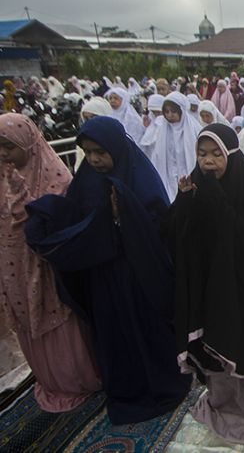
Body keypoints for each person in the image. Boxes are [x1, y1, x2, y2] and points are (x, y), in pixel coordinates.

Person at [24, 116, 191, 424]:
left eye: (100, 151)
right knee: (113, 332)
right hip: (103, 275)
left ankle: (158, 383)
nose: (94, 159)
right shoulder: (86, 179)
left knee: (144, 329)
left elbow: (160, 225)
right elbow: (77, 216)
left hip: (137, 273)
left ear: (115, 147)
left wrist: (124, 215)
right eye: (88, 152)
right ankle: (125, 388)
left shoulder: (138, 174)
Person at [166, 123, 244, 442]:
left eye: (216, 154)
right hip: (208, 285)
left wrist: (217, 199)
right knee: (212, 338)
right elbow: (176, 231)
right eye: (202, 153)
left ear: (230, 154)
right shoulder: (196, 184)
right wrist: (185, 199)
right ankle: (222, 398)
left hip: (242, 284)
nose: (208, 161)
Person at [0, 113, 100, 411]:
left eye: (9, 146)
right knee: (28, 322)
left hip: (47, 269)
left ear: (29, 144)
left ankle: (75, 381)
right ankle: (49, 380)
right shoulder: (4, 175)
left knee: (57, 319)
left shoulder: (56, 177)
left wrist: (24, 204)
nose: (3, 154)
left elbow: (59, 222)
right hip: (13, 268)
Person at [140, 92, 202, 202]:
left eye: (173, 111)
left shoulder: (193, 128)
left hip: (186, 171)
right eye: (166, 112)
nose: (170, 115)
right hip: (169, 174)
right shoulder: (162, 129)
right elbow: (158, 154)